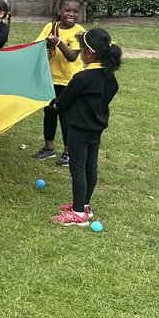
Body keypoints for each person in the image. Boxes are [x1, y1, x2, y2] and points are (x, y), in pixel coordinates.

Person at [51, 28, 122, 226]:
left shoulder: (82, 78)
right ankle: (84, 205)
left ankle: (77, 213)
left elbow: (64, 102)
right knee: (91, 166)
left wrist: (55, 104)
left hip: (79, 130)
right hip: (95, 130)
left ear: (88, 53)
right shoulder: (110, 78)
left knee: (78, 169)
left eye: (81, 49)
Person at [33, 0, 86, 166]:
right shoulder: (50, 27)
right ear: (59, 11)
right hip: (50, 79)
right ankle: (49, 148)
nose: (71, 14)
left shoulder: (79, 32)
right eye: (67, 10)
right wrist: (47, 42)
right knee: (49, 113)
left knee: (66, 116)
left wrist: (58, 42)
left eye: (75, 11)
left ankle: (68, 152)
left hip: (69, 81)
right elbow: (38, 47)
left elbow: (72, 56)